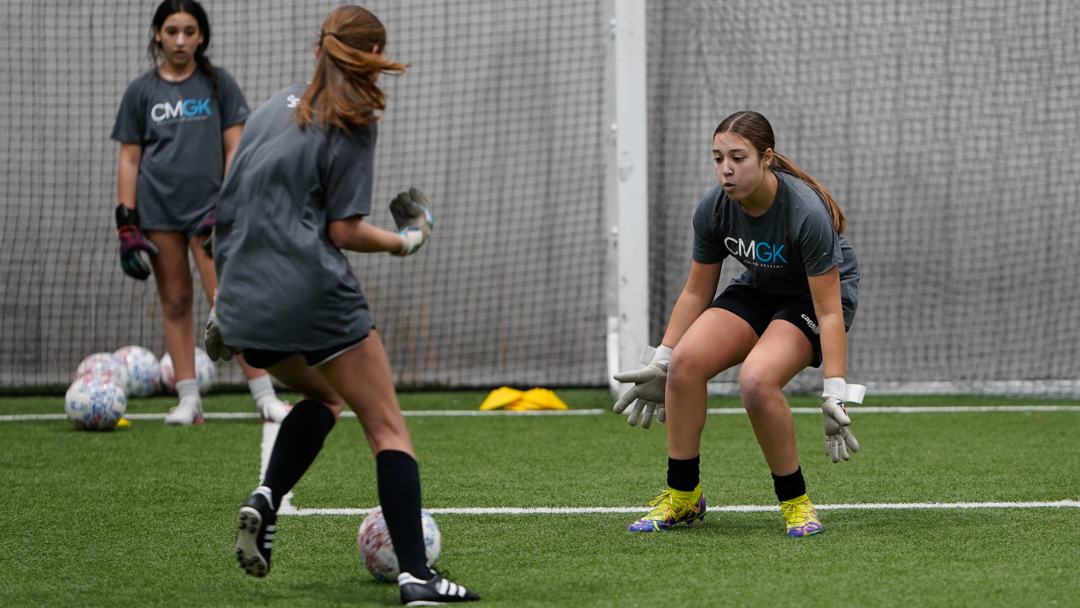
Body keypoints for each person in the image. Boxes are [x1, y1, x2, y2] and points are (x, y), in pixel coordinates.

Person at [206, 6, 479, 605]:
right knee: (387, 429)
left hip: (246, 300)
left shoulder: (270, 108)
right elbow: (344, 231)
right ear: (373, 59)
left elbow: (229, 206)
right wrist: (407, 240)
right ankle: (417, 578)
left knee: (324, 396)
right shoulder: (353, 122)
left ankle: (266, 498)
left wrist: (230, 298)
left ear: (317, 51)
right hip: (311, 292)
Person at [613, 111, 861, 537]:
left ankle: (796, 503)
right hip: (760, 285)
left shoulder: (805, 213)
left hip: (811, 297)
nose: (725, 169)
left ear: (766, 158)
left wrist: (835, 391)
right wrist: (663, 359)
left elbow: (829, 311)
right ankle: (684, 497)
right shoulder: (714, 209)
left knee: (757, 380)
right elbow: (696, 292)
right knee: (686, 363)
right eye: (717, 158)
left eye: (737, 157)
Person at [110, 0, 289, 425]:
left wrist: (226, 207)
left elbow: (236, 148)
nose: (180, 39)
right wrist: (127, 222)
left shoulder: (218, 84)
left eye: (189, 31)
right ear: (157, 34)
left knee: (227, 302)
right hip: (158, 214)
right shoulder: (141, 91)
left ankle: (264, 395)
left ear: (202, 36)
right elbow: (129, 160)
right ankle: (188, 400)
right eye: (172, 30)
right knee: (174, 302)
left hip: (210, 215)